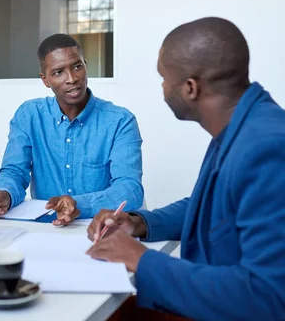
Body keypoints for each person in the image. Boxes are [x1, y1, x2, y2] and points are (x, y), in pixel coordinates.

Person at [87, 17, 285, 320]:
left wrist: (142, 260)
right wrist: (139, 223)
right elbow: (217, 206)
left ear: (190, 88)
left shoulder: (266, 148)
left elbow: (268, 297)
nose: (163, 88)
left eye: (164, 78)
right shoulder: (242, 126)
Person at [0, 34, 144, 225]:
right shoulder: (29, 116)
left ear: (86, 66)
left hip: (98, 227)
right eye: (58, 72)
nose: (71, 79)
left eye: (77, 66)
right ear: (45, 80)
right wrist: (3, 194)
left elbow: (130, 189)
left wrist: (79, 205)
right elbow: (14, 171)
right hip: (45, 228)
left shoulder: (120, 121)